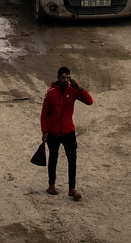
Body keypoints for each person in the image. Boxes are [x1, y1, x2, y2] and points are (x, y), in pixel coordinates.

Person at [39, 66, 93, 200]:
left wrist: (80, 89)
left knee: (72, 160)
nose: (65, 80)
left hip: (68, 131)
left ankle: (72, 189)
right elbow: (44, 113)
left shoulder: (73, 91)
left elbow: (89, 101)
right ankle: (51, 185)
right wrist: (44, 131)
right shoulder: (50, 93)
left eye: (68, 77)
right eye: (63, 77)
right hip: (53, 132)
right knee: (53, 158)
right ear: (58, 78)